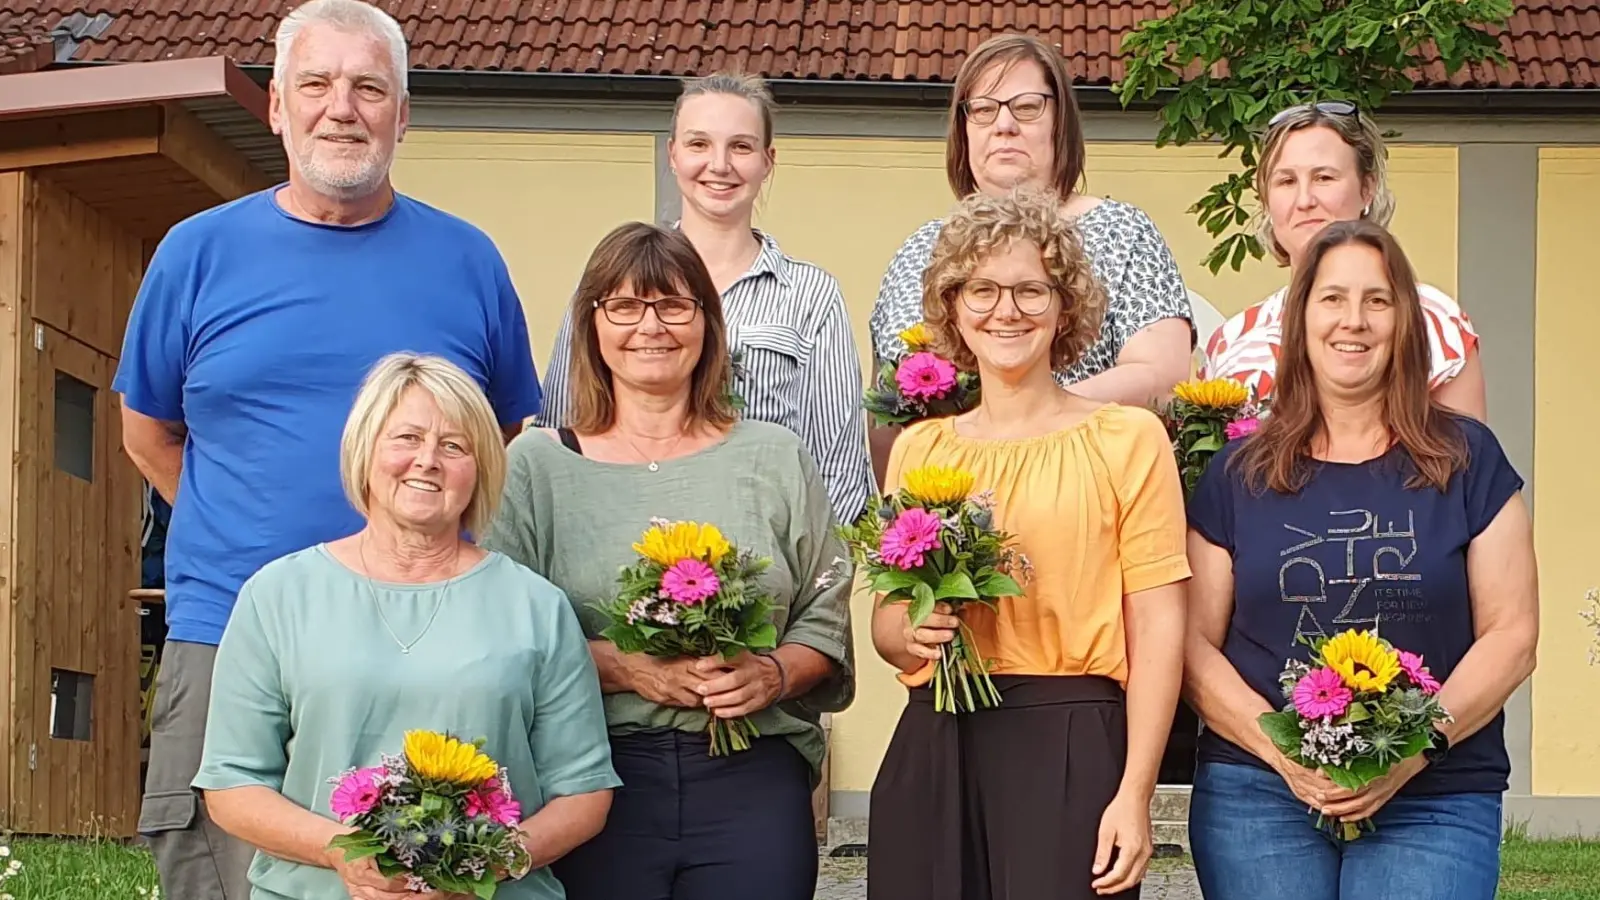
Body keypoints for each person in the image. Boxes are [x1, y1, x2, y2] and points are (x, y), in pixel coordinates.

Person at [113, 2, 542, 896]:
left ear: (402, 114)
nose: (340, 108)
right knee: (219, 870)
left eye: (368, 88)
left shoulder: (468, 260)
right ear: (276, 106)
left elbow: (493, 434)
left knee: (415, 873)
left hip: (430, 640)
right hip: (227, 626)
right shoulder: (196, 253)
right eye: (316, 84)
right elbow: (147, 431)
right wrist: (247, 535)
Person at [484, 222, 855, 900]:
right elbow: (502, 631)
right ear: (591, 324)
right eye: (623, 306)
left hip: (752, 772)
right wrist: (624, 667)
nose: (649, 326)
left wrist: (770, 675)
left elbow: (824, 614)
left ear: (708, 324)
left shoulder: (772, 455)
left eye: (674, 305)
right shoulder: (537, 466)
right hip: (590, 777)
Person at [1184, 220, 1538, 900]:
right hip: (1259, 791)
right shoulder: (1236, 474)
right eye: (1332, 299)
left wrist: (1409, 752)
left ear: (1405, 319)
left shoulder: (1468, 460)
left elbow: (1513, 635)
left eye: (1377, 300)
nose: (1355, 321)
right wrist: (1282, 751)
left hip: (1435, 789)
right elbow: (1193, 644)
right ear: (1300, 318)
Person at [193, 353, 618, 900]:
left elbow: (584, 793)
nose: (427, 461)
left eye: (454, 446)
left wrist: (482, 866)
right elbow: (232, 784)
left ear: (481, 469)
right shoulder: (277, 595)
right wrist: (345, 853)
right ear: (364, 451)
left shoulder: (536, 605)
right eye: (406, 438)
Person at [867, 189, 1190, 900]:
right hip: (935, 737)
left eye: (1029, 290)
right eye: (981, 289)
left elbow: (1160, 625)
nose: (1004, 310)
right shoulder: (920, 447)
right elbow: (887, 628)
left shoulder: (1126, 438)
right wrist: (913, 630)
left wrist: (1137, 792)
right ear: (952, 305)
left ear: (1065, 306)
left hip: (1071, 740)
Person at [537, 72, 874, 525]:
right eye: (699, 144)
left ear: (767, 160)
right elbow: (563, 422)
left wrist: (809, 582)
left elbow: (840, 469)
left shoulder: (811, 295)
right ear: (672, 154)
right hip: (618, 542)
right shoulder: (612, 282)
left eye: (741, 146)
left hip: (758, 565)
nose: (720, 165)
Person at [866, 33, 1194, 482]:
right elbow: (888, 416)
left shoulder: (1123, 230)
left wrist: (1027, 426)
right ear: (964, 130)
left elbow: (1162, 376)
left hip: (1093, 483)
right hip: (959, 508)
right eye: (983, 109)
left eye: (1026, 107)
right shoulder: (919, 252)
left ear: (1060, 122)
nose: (1004, 126)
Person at [1201, 101, 1487, 420]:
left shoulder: (1434, 320)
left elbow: (1465, 463)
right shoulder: (1234, 340)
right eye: (1286, 181)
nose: (1305, 200)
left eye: (1324, 178)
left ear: (1367, 189)